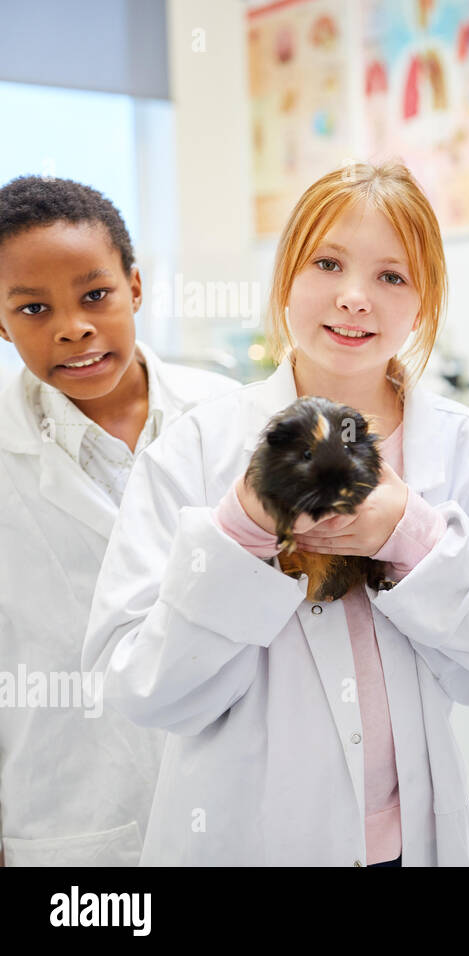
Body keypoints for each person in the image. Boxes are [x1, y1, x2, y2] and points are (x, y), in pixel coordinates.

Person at [83, 162, 469, 866]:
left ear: (424, 302)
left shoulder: (465, 451)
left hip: (410, 847)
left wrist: (410, 535)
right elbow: (141, 688)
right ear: (286, 275)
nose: (355, 298)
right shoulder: (196, 451)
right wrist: (242, 530)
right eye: (327, 263)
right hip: (246, 842)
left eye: (392, 276)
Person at [0, 176, 238, 865]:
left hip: (233, 797)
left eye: (95, 295)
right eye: (34, 308)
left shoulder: (232, 421)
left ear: (136, 286)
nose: (72, 326)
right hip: (69, 815)